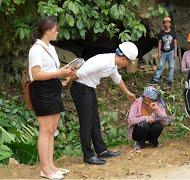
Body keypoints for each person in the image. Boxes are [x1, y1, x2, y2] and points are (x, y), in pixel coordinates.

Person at [65, 42, 138, 165]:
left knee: (95, 121)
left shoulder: (112, 63)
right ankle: (88, 155)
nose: (127, 65)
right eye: (128, 62)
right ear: (123, 58)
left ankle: (101, 150)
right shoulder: (103, 62)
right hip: (81, 89)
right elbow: (80, 73)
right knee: (86, 123)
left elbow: (117, 78)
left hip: (89, 88)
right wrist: (67, 81)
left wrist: (128, 93)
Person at [29, 17, 74, 179]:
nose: (57, 32)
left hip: (53, 88)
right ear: (47, 30)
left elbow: (52, 71)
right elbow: (36, 74)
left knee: (52, 131)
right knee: (45, 131)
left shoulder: (51, 48)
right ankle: (45, 169)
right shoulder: (36, 49)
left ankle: (51, 165)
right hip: (42, 91)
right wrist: (58, 73)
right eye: (56, 29)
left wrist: (65, 72)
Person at [150, 16, 177, 88]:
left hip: (171, 52)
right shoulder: (161, 33)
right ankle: (155, 79)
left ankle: (169, 81)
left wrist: (175, 53)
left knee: (171, 66)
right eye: (165, 22)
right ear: (163, 24)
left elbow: (175, 42)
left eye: (168, 22)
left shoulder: (173, 32)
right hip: (163, 52)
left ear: (170, 24)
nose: (166, 24)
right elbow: (159, 43)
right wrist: (159, 53)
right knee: (160, 65)